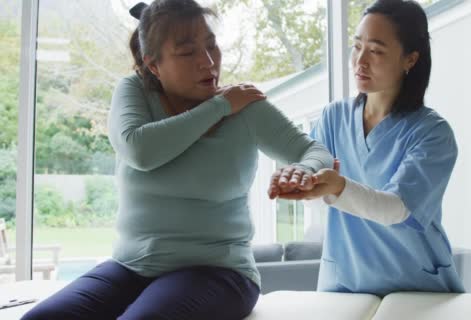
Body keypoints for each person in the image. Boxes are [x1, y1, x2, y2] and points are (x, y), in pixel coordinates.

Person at [23, 0, 332, 319]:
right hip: (131, 267)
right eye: (188, 53)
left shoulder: (246, 108)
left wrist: (303, 170)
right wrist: (220, 106)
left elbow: (317, 152)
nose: (209, 61)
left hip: (218, 271)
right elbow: (140, 150)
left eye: (212, 45)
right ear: (153, 66)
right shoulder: (137, 92)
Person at [270, 0, 465, 296]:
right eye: (357, 46)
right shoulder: (333, 117)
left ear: (410, 59)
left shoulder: (432, 134)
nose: (360, 61)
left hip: (415, 288)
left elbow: (396, 208)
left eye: (375, 51)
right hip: (345, 284)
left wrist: (337, 187)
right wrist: (299, 176)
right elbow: (314, 161)